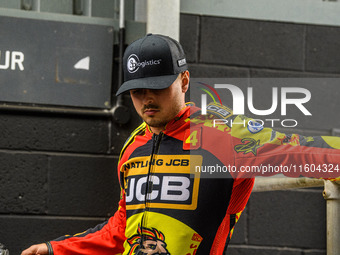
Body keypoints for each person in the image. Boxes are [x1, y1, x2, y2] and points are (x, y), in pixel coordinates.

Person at [22, 34, 340, 255]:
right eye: (136, 91)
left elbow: (306, 152)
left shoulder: (225, 134)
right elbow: (122, 227)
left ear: (184, 81)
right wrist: (57, 248)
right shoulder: (133, 146)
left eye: (157, 87)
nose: (146, 99)